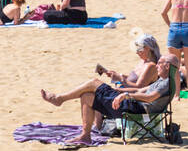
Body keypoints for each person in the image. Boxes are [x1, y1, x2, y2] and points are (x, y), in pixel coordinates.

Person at [41, 55, 178, 144]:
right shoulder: (163, 80)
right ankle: (85, 136)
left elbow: (149, 98)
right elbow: (139, 91)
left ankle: (59, 99)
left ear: (167, 66)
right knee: (87, 96)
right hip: (131, 104)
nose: (157, 66)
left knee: (94, 82)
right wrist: (120, 91)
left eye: (160, 63)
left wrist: (126, 96)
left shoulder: (166, 83)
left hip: (135, 109)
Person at [161, 0, 188, 74]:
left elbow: (163, 13)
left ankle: (175, 88)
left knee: (174, 68)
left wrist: (171, 26)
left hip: (174, 28)